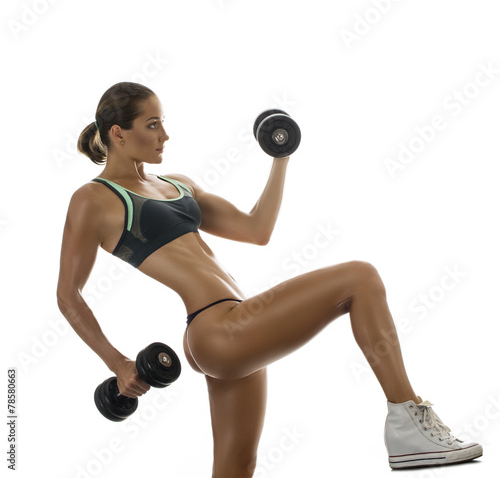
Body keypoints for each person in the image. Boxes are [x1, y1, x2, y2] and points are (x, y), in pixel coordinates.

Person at [56, 82, 482, 476]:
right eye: (152, 125)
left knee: (237, 467)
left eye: (164, 122)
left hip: (236, 326)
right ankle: (407, 422)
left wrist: (281, 156)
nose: (164, 134)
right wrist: (117, 362)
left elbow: (256, 230)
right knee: (360, 278)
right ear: (118, 133)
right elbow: (68, 295)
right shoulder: (94, 199)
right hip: (218, 329)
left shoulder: (176, 184)